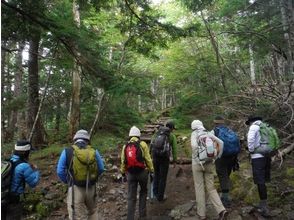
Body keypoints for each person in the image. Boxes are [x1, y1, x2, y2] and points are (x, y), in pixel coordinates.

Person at [57, 129, 105, 220]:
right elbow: (101, 168)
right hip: (91, 187)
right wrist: (93, 178)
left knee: (77, 216)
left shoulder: (67, 151)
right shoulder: (94, 151)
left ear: (75, 139)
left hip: (75, 188)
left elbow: (60, 171)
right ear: (87, 140)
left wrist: (68, 182)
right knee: (93, 211)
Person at [191, 120, 228, 220]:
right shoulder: (208, 133)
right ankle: (221, 210)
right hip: (210, 163)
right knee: (211, 188)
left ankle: (202, 214)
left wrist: (197, 159)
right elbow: (221, 143)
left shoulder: (194, 134)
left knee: (199, 188)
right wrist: (217, 157)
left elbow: (194, 146)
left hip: (197, 164)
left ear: (193, 127)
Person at [120, 126, 154, 220]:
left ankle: (130, 217)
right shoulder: (142, 144)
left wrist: (123, 173)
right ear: (139, 135)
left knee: (131, 196)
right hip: (142, 172)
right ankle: (142, 216)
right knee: (143, 192)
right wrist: (151, 170)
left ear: (130, 135)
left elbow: (123, 161)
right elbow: (148, 159)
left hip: (131, 173)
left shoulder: (125, 146)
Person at [3, 140, 40, 220]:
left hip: (3, 198)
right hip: (14, 200)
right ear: (25, 152)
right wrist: (36, 170)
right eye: (29, 151)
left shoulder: (6, 162)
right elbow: (33, 183)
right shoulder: (24, 166)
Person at [246, 116, 271, 217]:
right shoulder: (267, 126)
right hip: (267, 156)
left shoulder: (254, 127)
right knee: (264, 180)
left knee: (260, 181)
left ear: (251, 121)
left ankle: (264, 208)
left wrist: (251, 150)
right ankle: (263, 203)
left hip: (257, 158)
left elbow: (250, 139)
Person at [213, 116, 240, 207]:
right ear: (223, 123)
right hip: (232, 157)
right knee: (226, 175)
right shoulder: (229, 130)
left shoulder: (215, 131)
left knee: (222, 176)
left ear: (215, 123)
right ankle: (225, 193)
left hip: (221, 157)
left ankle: (225, 199)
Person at [151, 120, 177, 202]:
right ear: (172, 128)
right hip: (164, 159)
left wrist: (150, 156)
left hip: (155, 158)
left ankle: (155, 193)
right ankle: (160, 197)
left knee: (156, 175)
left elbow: (152, 144)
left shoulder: (157, 133)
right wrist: (174, 161)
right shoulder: (172, 136)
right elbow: (175, 149)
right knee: (163, 178)